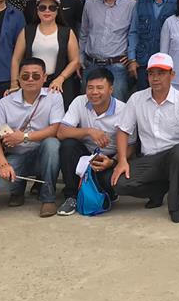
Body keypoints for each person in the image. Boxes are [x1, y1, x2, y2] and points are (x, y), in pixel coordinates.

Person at [111, 52, 179, 223]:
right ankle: (158, 190)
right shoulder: (137, 99)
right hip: (149, 159)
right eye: (151, 73)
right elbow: (123, 131)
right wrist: (122, 161)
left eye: (161, 73)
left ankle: (175, 205)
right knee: (118, 183)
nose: (155, 78)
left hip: (174, 159)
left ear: (172, 75)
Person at [0, 57, 64, 218]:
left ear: (44, 77)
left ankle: (48, 198)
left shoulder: (54, 97)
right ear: (18, 78)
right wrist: (3, 165)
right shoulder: (5, 103)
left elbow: (56, 129)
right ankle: (18, 189)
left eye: (35, 76)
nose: (30, 79)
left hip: (42, 154)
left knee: (52, 144)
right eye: (25, 76)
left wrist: (25, 137)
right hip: (16, 155)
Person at [55, 67, 132, 216]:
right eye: (90, 88)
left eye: (100, 88)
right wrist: (89, 131)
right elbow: (61, 132)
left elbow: (132, 146)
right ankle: (71, 197)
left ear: (111, 89)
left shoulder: (123, 110)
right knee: (68, 145)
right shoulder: (79, 102)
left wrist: (113, 161)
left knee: (111, 183)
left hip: (110, 158)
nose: (94, 92)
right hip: (85, 155)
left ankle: (106, 190)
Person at [10, 0, 81, 108]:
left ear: (57, 10)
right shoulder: (27, 31)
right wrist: (14, 83)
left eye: (52, 8)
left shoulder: (67, 32)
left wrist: (61, 78)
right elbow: (16, 59)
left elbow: (75, 61)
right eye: (43, 7)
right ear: (37, 10)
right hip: (31, 83)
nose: (47, 11)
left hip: (58, 85)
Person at [79, 0, 135, 101]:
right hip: (91, 64)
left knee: (118, 105)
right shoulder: (90, 4)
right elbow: (84, 33)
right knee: (88, 104)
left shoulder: (131, 6)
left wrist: (131, 56)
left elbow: (133, 34)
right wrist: (80, 58)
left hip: (117, 66)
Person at [127, 0, 177, 91]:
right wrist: (132, 59)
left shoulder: (178, 1)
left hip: (168, 63)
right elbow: (134, 31)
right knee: (144, 98)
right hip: (144, 62)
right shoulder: (141, 1)